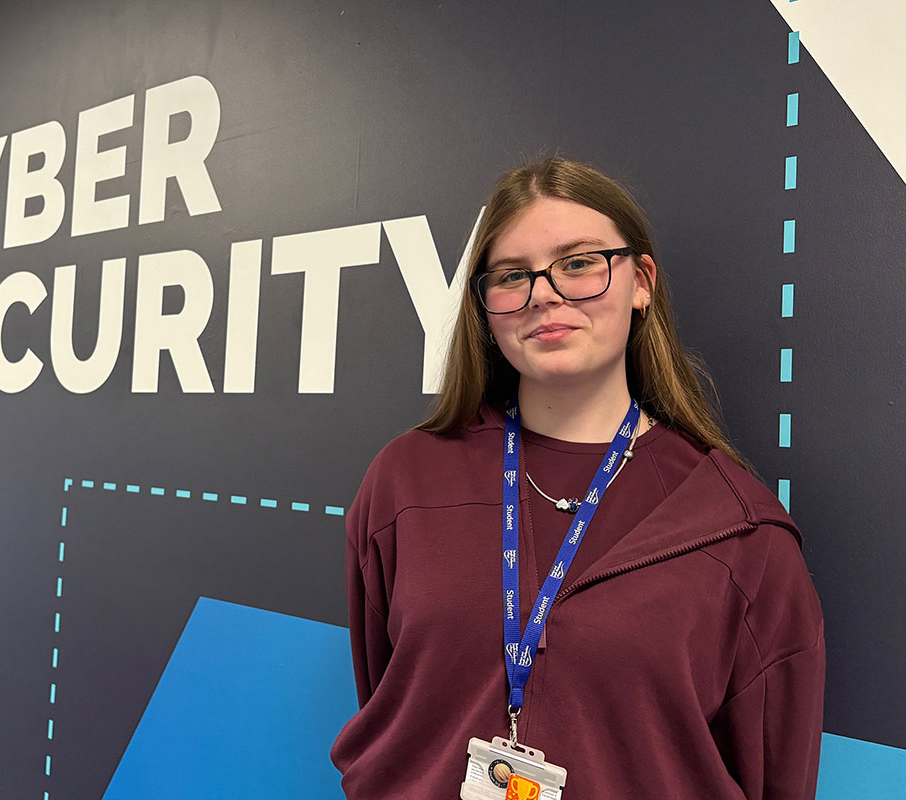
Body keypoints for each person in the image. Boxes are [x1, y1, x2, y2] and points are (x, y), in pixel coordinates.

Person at [330, 157, 825, 799]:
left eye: (580, 263)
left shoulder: (743, 533)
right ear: (485, 307)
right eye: (513, 275)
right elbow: (389, 703)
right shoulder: (406, 480)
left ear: (641, 282)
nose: (544, 294)